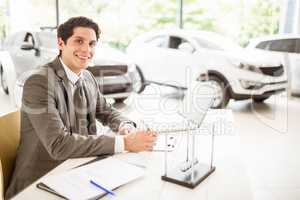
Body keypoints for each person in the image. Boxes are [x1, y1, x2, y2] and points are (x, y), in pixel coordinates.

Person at [5, 16, 156, 199]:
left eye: (92, 44)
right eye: (79, 41)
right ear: (61, 43)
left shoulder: (87, 77)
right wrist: (125, 143)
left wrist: (125, 126)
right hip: (40, 182)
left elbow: (106, 111)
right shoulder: (39, 81)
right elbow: (59, 145)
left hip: (79, 171)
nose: (87, 49)